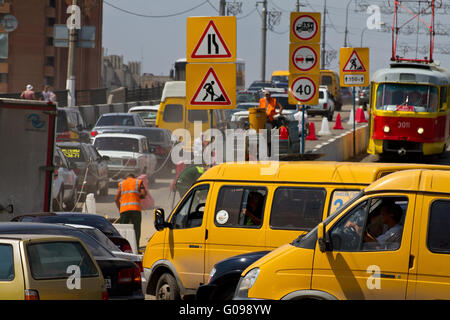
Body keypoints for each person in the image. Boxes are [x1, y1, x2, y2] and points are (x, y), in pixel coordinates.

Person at [115, 173, 147, 247]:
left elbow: (116, 199)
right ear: (134, 177)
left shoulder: (122, 183)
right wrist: (139, 196)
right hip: (136, 209)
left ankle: (123, 247)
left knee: (123, 229)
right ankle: (136, 246)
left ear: (126, 177)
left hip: (124, 210)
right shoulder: (138, 182)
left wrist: (120, 209)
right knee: (136, 229)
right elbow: (143, 194)